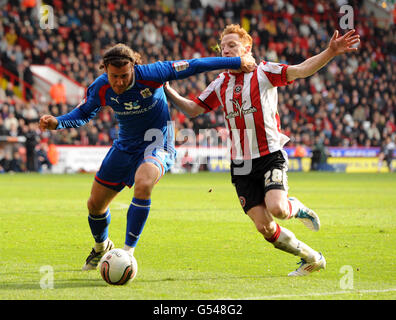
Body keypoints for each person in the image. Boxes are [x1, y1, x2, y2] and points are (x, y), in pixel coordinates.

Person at [39, 43, 256, 270]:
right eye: (114, 77)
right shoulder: (101, 87)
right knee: (95, 205)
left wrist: (237, 62)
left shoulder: (154, 73)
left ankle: (127, 253)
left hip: (157, 142)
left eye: (124, 76)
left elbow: (195, 65)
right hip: (124, 147)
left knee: (144, 182)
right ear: (105, 70)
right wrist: (58, 122)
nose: (120, 82)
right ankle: (101, 246)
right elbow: (83, 113)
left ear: (133, 67)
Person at [164, 24, 360, 276]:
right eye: (222, 47)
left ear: (247, 48)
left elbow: (301, 70)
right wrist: (167, 90)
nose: (225, 51)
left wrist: (330, 52)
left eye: (232, 46)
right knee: (264, 227)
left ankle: (295, 207)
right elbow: (193, 110)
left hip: (269, 155)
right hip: (241, 164)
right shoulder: (220, 83)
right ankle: (311, 258)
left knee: (278, 208)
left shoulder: (265, 71)